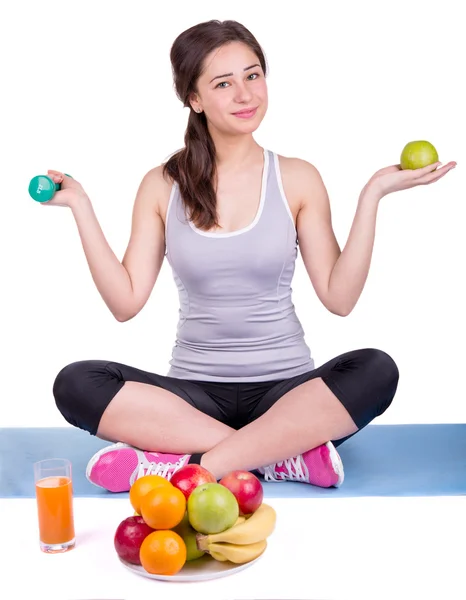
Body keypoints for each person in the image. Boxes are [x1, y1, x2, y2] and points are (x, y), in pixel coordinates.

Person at [48, 20, 456, 493]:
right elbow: (126, 303)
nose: (245, 94)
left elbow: (340, 299)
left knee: (376, 370)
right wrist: (81, 206)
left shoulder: (298, 178)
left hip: (288, 394)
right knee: (75, 383)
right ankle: (281, 456)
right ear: (194, 99)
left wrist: (373, 194)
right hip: (191, 401)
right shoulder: (163, 185)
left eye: (253, 75)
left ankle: (185, 464)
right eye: (223, 83)